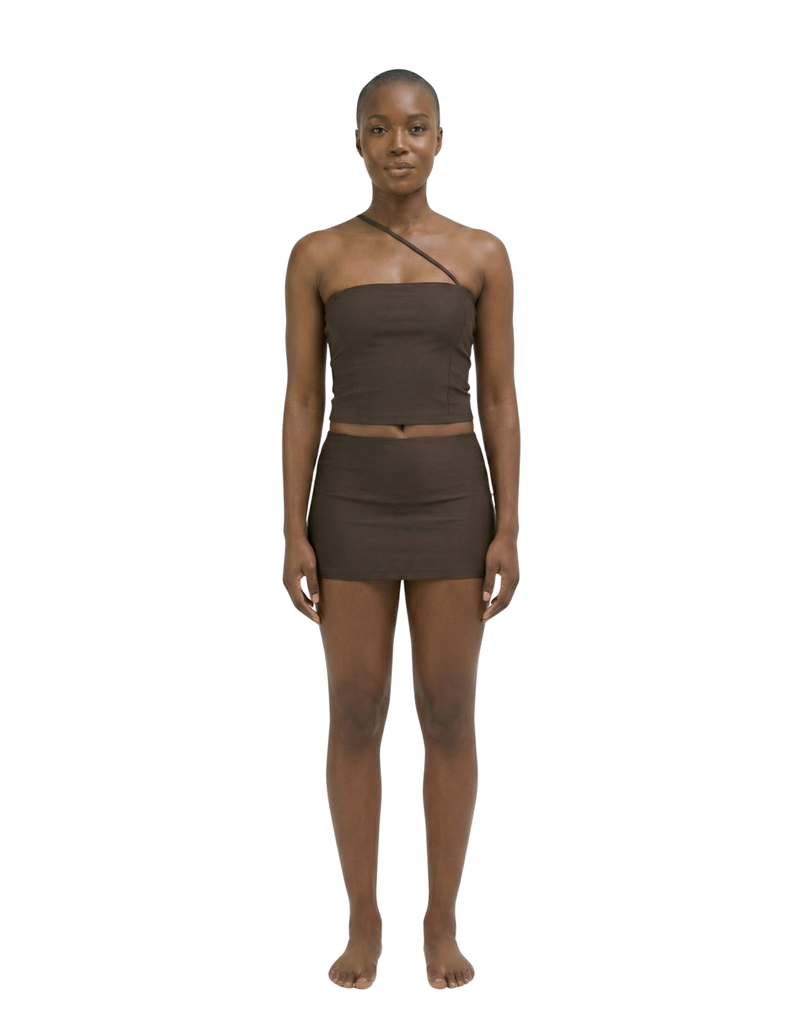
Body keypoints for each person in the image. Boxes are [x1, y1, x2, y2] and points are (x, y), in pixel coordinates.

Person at [282, 68, 520, 990]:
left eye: (415, 127)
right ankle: (362, 917)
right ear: (356, 141)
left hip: (453, 497)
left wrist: (508, 525)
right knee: (354, 710)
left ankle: (442, 918)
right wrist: (293, 527)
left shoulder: (483, 254)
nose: (398, 144)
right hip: (351, 496)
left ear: (440, 138)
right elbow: (302, 400)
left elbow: (500, 399)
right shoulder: (318, 256)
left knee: (449, 711)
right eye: (378, 128)